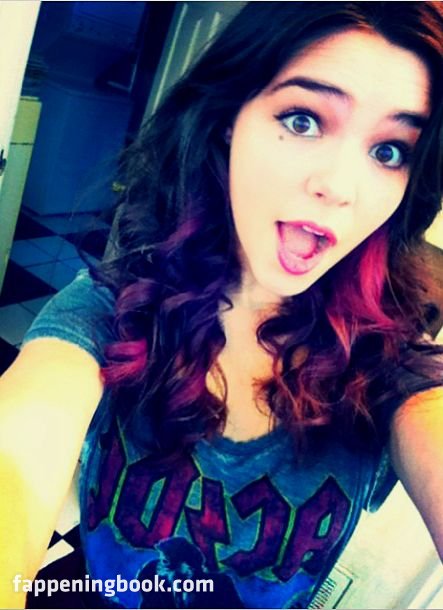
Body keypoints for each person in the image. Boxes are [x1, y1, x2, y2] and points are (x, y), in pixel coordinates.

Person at [1, 2, 443, 608]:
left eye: (390, 151)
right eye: (303, 120)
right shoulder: (112, 309)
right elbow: (18, 455)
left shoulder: (392, 366)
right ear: (231, 117)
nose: (341, 187)